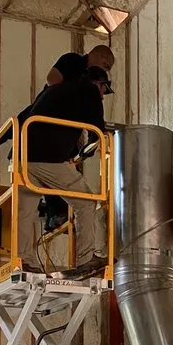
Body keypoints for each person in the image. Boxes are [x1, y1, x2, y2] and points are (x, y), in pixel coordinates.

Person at [0, 66, 113, 278]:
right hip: (47, 158)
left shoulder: (51, 91)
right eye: (104, 91)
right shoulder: (88, 90)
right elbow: (97, 131)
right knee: (86, 202)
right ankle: (85, 260)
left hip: (21, 158)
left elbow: (19, 119)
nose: (101, 97)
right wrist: (89, 149)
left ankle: (25, 262)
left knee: (26, 212)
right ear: (98, 83)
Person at [42, 45, 115, 230]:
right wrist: (68, 95)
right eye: (105, 64)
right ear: (95, 55)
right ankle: (57, 213)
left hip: (64, 127)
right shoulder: (72, 61)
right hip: (52, 121)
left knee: (65, 167)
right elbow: (51, 79)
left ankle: (58, 214)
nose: (105, 69)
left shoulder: (85, 85)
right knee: (58, 166)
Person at [46, 44, 115, 87]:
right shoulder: (73, 59)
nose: (105, 71)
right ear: (97, 55)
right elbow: (52, 79)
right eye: (105, 65)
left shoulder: (91, 76)